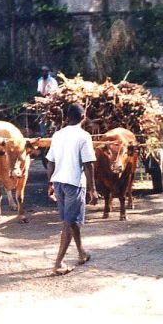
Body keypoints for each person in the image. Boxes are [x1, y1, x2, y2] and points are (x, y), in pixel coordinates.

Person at [46, 103, 97, 275]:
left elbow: (50, 162)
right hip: (74, 184)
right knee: (68, 222)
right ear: (83, 117)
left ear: (67, 117)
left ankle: (82, 253)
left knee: (70, 220)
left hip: (59, 183)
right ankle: (58, 263)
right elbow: (88, 164)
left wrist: (50, 184)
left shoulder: (57, 135)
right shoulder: (84, 136)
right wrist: (93, 189)